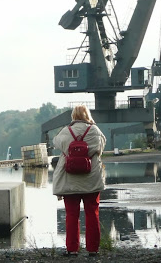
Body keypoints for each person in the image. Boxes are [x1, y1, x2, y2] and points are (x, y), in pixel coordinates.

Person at [52, 105, 106, 256]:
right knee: (92, 214)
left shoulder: (65, 131)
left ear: (73, 116)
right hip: (92, 179)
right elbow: (101, 146)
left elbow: (56, 143)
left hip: (70, 180)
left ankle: (72, 249)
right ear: (87, 115)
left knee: (71, 215)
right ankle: (93, 249)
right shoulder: (95, 131)